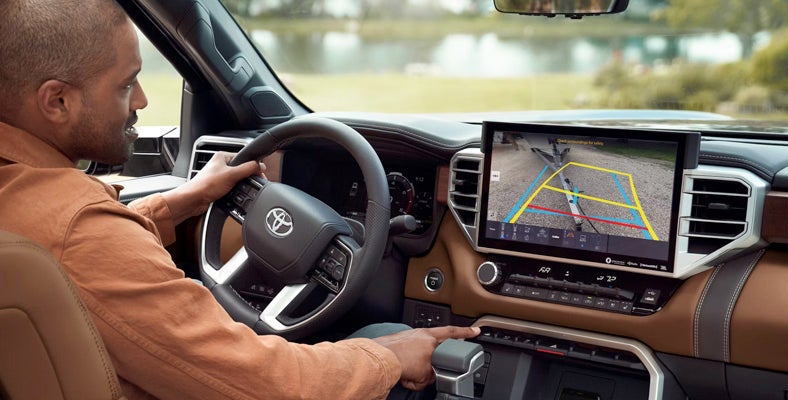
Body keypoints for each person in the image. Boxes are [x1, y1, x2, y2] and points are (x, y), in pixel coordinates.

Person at [0, 0, 479, 399]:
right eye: (126, 84)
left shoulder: (35, 204)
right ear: (56, 101)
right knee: (389, 345)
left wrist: (180, 202)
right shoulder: (85, 234)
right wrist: (388, 358)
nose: (142, 100)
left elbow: (71, 247)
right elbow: (266, 384)